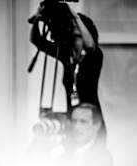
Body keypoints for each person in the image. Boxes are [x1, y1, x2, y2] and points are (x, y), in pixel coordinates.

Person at [30, 4, 106, 139]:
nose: (74, 39)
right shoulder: (66, 56)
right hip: (73, 123)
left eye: (77, 35)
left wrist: (73, 15)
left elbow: (90, 45)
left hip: (90, 124)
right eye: (71, 34)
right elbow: (37, 40)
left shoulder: (94, 57)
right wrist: (38, 17)